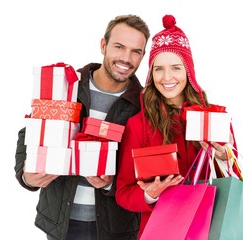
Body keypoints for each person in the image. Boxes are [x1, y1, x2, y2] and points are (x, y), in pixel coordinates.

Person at [14, 14, 150, 240]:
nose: (126, 58)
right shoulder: (66, 86)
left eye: (136, 51)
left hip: (116, 228)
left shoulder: (145, 104)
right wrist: (26, 176)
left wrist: (111, 184)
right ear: (103, 45)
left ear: (143, 55)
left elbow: (145, 170)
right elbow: (29, 133)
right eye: (119, 47)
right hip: (61, 223)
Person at [115, 14, 238, 238]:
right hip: (161, 231)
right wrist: (149, 195)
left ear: (188, 71)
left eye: (176, 68)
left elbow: (235, 177)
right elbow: (123, 193)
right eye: (159, 69)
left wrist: (224, 157)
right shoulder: (138, 125)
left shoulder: (214, 117)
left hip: (211, 229)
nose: (167, 77)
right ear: (151, 74)